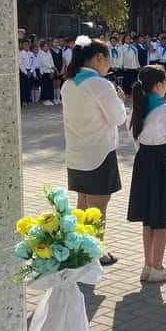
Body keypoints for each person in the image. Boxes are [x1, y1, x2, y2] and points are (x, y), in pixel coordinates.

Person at [62, 36, 128, 267]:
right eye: (109, 57)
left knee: (82, 203)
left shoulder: (69, 83)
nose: (110, 63)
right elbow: (117, 118)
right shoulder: (100, 84)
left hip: (76, 152)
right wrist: (120, 100)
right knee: (98, 207)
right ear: (99, 57)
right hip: (99, 152)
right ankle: (95, 253)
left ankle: (80, 248)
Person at [126, 64, 166, 281]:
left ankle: (148, 265)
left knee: (148, 218)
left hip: (143, 160)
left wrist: (144, 153)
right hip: (162, 162)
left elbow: (133, 138)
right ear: (159, 85)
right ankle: (157, 267)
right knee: (162, 217)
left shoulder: (137, 108)